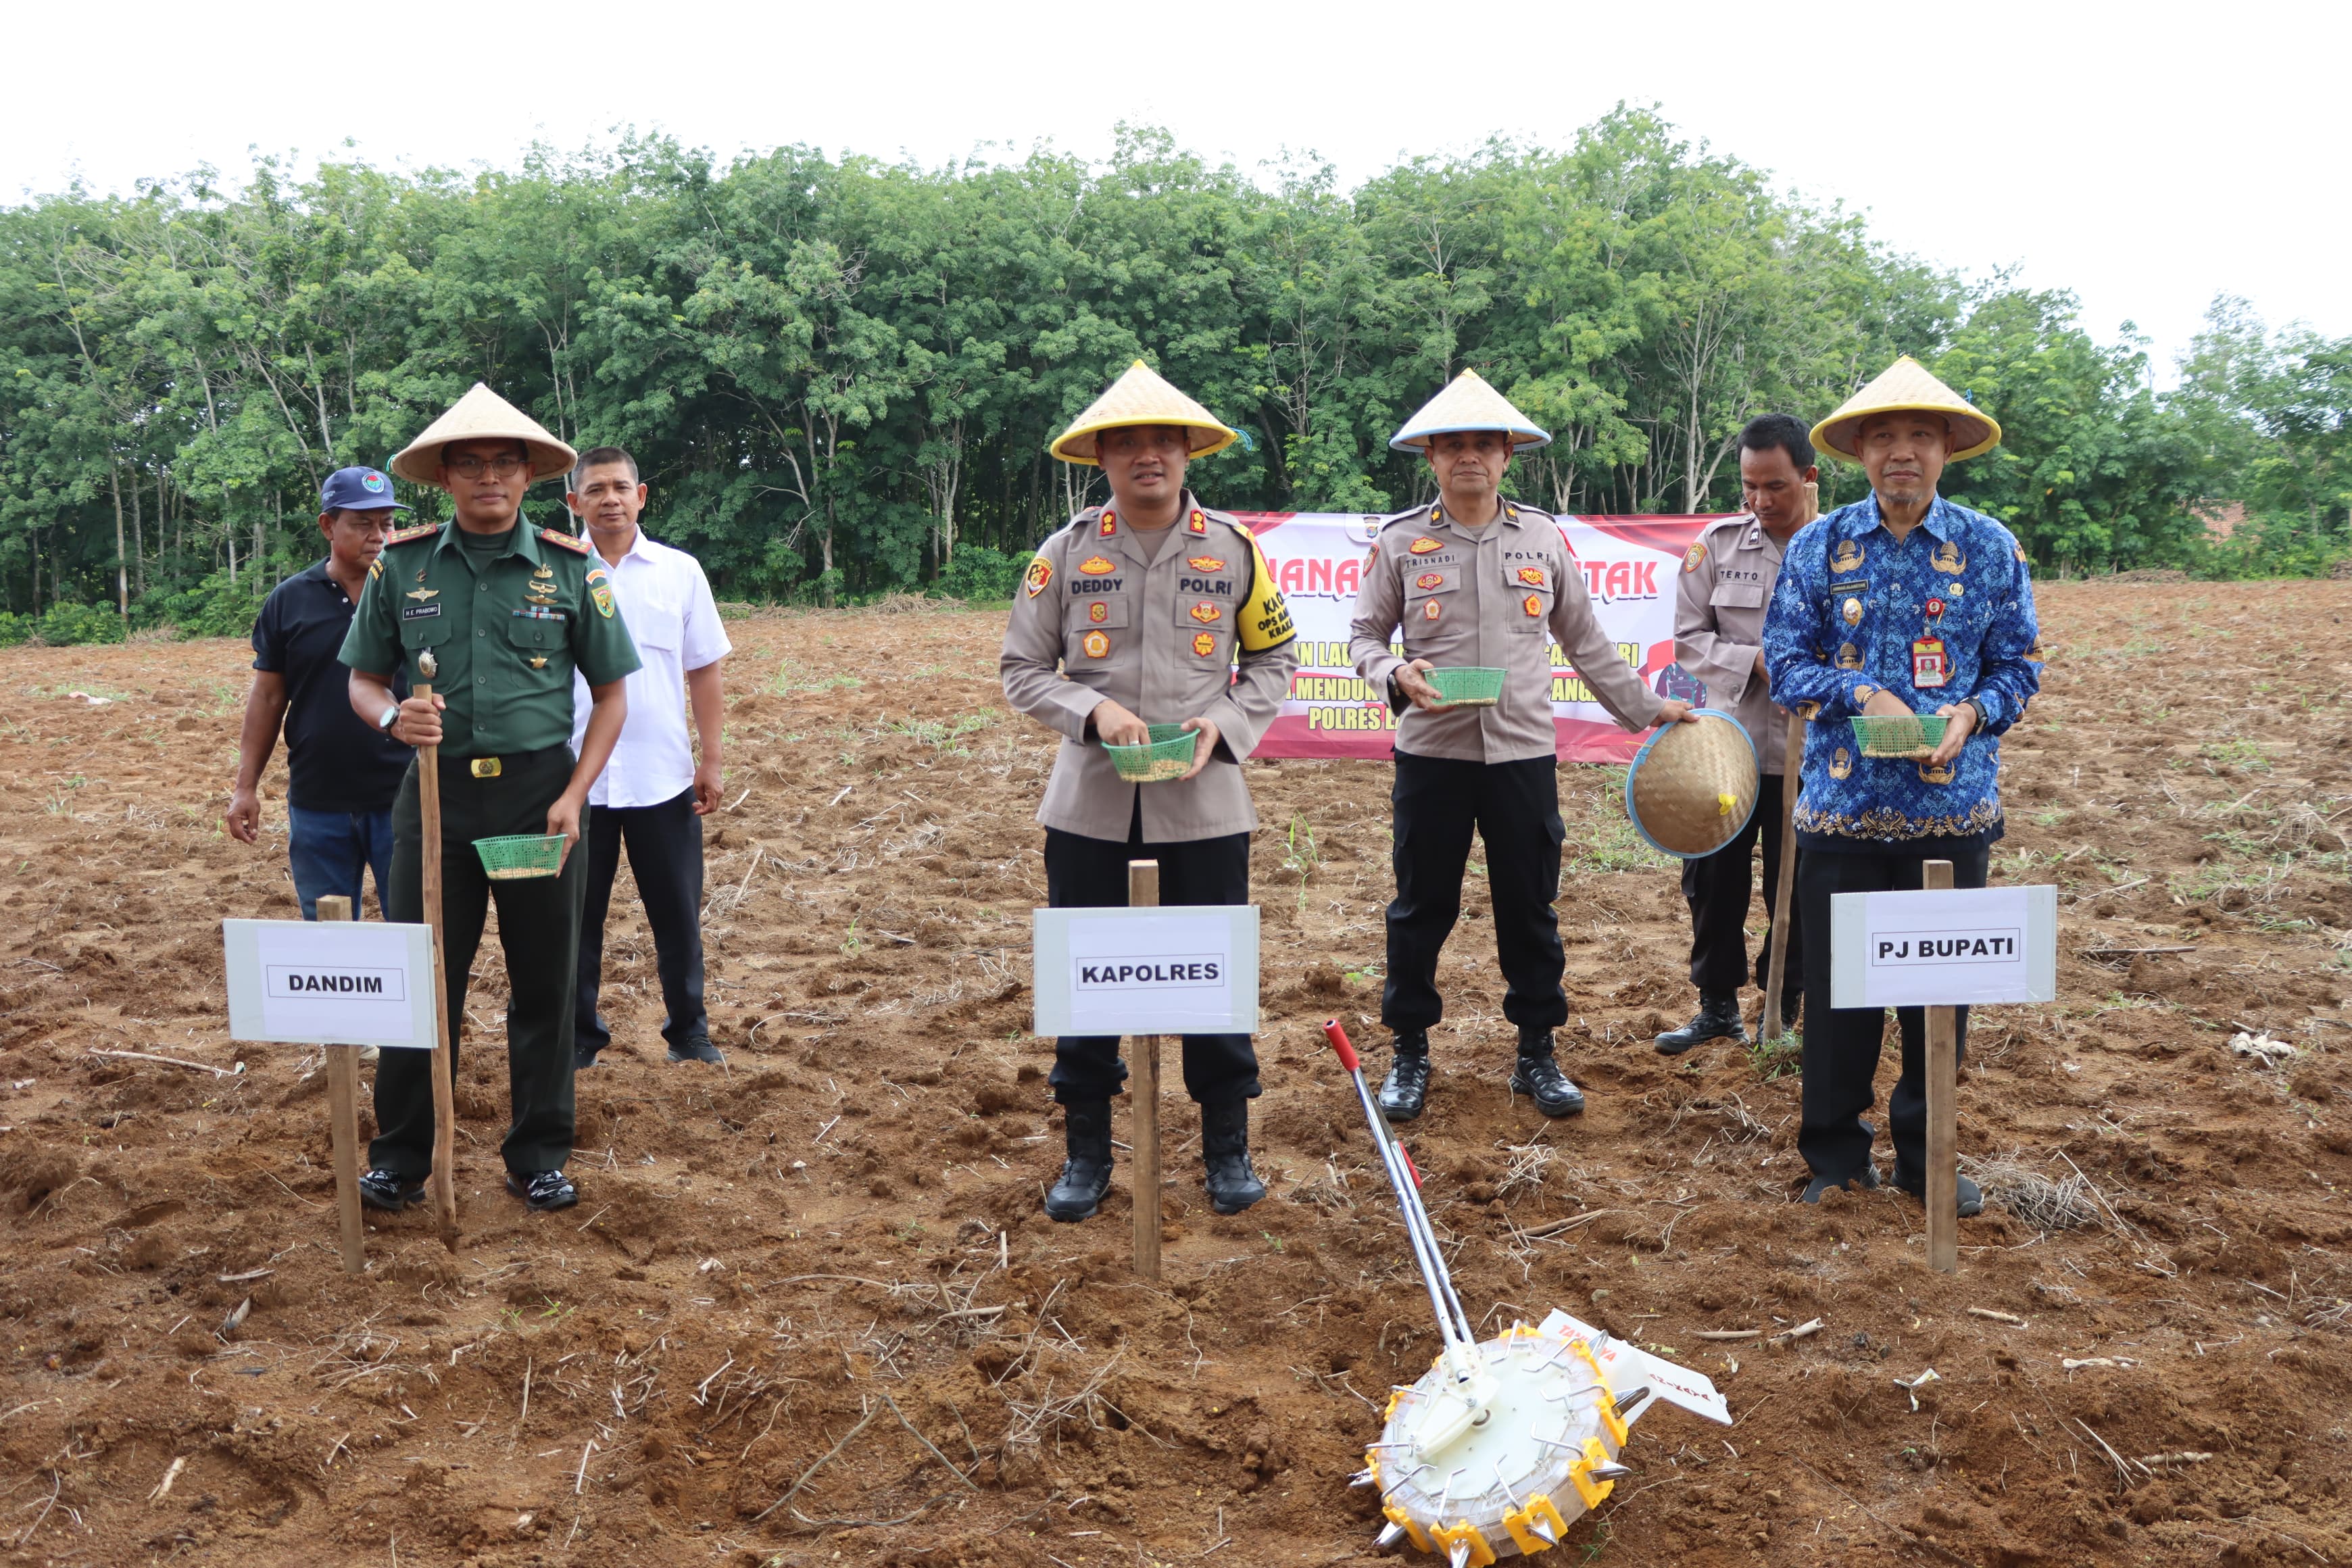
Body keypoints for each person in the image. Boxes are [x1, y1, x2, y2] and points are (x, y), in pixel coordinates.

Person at [1349, 370, 1694, 1123]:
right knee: (1420, 905)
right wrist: (1395, 671)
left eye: (1483, 444)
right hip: (1432, 755)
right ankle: (1409, 1050)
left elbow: (1587, 642)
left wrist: (1647, 708)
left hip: (1522, 758)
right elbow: (1363, 636)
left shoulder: (1541, 537)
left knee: (1529, 906)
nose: (1468, 457)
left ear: (1507, 455)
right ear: (1432, 458)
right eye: (1452, 446)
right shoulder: (1402, 540)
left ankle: (1537, 1050)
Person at [1001, 360, 1300, 1223]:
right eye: (1126, 442)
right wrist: (1093, 711)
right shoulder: (1064, 554)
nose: (1146, 456)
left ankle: (1227, 1148)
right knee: (1086, 978)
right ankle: (1087, 1152)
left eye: (1162, 440)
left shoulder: (1233, 551)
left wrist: (1227, 728)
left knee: (1213, 975)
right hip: (1091, 806)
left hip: (1206, 807)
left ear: (1187, 453)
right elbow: (1022, 670)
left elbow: (1275, 661)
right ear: (1100, 457)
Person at [340, 384, 642, 1215]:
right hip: (432, 805)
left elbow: (614, 696)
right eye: (468, 464)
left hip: (537, 805)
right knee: (422, 982)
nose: (487, 478)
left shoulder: (569, 568)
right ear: (445, 476)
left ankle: (538, 1153)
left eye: (503, 463)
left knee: (545, 984)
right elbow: (363, 682)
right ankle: (401, 1157)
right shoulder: (401, 566)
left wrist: (578, 795)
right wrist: (393, 717)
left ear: (528, 475)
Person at [1763, 356, 2041, 1215]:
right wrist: (1858, 692)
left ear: (1948, 447)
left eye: (1920, 435)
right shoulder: (1819, 544)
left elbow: (2019, 665)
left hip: (1952, 814)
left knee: (1938, 1002)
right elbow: (1784, 662)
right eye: (1883, 436)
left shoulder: (1990, 548)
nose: (1901, 453)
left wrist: (1970, 713)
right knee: (1842, 1000)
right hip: (1841, 813)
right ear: (1858, 452)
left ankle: (1927, 1156)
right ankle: (1837, 1159)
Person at [564, 445, 731, 1069]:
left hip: (664, 778)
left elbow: (704, 670)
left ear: (642, 496)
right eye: (596, 489)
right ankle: (580, 1036)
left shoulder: (679, 571)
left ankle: (689, 1031)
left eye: (620, 487)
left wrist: (710, 759)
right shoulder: (554, 572)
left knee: (678, 916)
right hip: (576, 782)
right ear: (574, 502)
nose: (610, 498)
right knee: (577, 920)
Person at [1657, 415, 1818, 1054]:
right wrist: (1750, 660)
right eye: (1749, 486)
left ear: (1808, 477)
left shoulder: (1843, 548)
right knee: (1714, 880)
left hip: (1814, 754)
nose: (1760, 501)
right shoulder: (1717, 546)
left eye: (1775, 486)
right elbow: (1688, 639)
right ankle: (1716, 1006)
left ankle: (1784, 1008)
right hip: (1730, 751)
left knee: (1801, 885)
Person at [227, 468, 416, 920]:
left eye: (387, 523)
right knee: (328, 939)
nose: (378, 535)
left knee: (417, 931)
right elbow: (269, 698)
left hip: (404, 798)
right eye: (362, 523)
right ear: (328, 526)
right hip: (319, 801)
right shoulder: (290, 601)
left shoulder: (416, 594)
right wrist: (245, 787)